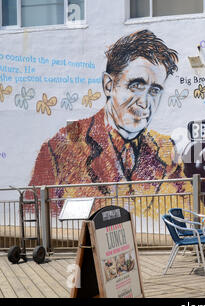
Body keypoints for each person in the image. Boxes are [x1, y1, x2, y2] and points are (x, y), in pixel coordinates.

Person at [29, 30, 193, 216]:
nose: (145, 102)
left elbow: (191, 212)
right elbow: (33, 216)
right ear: (108, 85)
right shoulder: (60, 148)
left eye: (155, 90)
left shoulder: (165, 149)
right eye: (136, 86)